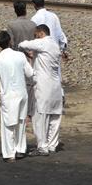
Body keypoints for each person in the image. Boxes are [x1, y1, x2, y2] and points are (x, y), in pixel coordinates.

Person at [0, 31, 34, 161]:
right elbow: (30, 73)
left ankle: (9, 154)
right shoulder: (20, 56)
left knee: (8, 125)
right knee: (21, 122)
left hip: (8, 96)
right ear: (10, 42)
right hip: (22, 93)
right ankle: (20, 149)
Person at [19, 25, 64, 156]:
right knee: (55, 116)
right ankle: (52, 144)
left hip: (43, 85)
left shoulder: (43, 42)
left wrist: (27, 53)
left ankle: (42, 146)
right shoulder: (55, 45)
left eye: (36, 35)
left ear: (41, 33)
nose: (35, 37)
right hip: (56, 85)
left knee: (40, 116)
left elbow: (22, 44)